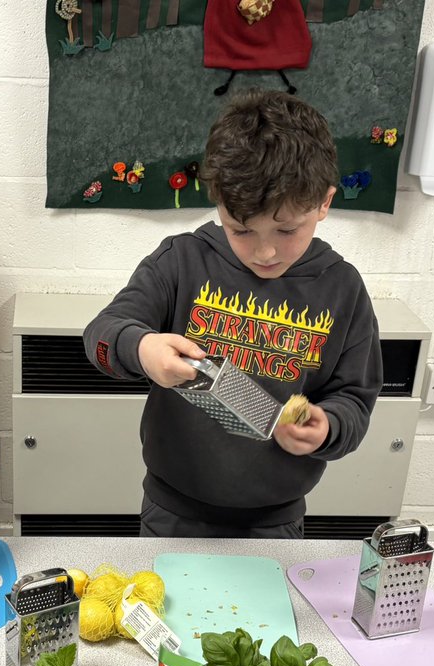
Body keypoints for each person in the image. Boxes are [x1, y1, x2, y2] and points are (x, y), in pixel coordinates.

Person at [83, 89, 381, 539]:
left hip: (276, 519)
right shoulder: (181, 262)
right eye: (241, 229)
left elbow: (354, 401)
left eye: (286, 229)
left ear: (324, 202)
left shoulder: (343, 289)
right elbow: (101, 336)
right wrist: (142, 348)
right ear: (216, 201)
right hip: (172, 511)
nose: (265, 251)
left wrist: (328, 427)